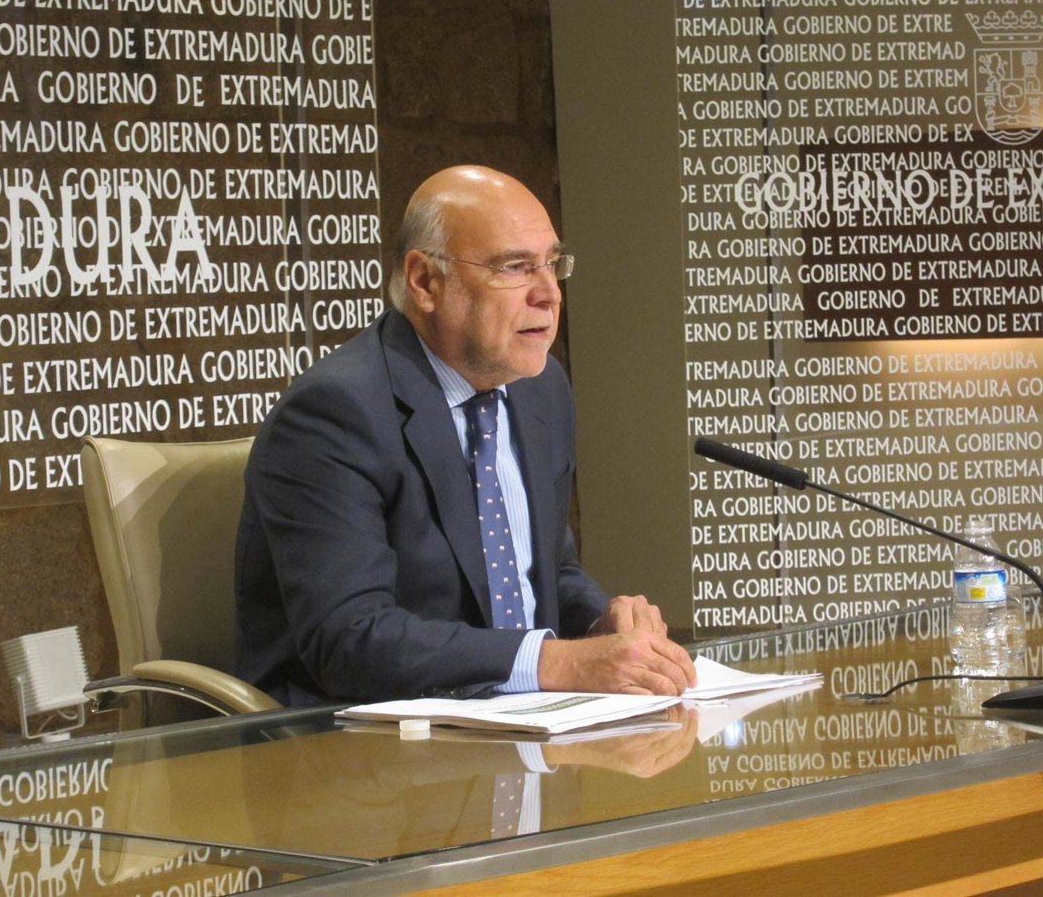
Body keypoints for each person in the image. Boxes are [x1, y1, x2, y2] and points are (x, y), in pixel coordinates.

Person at [234, 165, 696, 705]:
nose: (549, 294)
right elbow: (351, 640)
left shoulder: (539, 388)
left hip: (519, 721)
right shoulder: (335, 413)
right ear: (425, 282)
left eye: (552, 264)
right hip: (365, 737)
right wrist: (560, 662)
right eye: (515, 267)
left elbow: (544, 569)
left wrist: (602, 623)